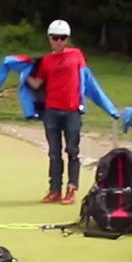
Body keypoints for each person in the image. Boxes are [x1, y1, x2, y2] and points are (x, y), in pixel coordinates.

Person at [27, 20, 86, 204]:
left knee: (72, 150)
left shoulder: (77, 54)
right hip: (51, 110)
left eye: (62, 38)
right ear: (50, 39)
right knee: (54, 152)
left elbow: (85, 77)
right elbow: (37, 83)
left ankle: (72, 189)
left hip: (72, 111)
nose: (59, 41)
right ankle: (54, 190)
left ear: (67, 39)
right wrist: (23, 74)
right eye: (55, 38)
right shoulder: (46, 60)